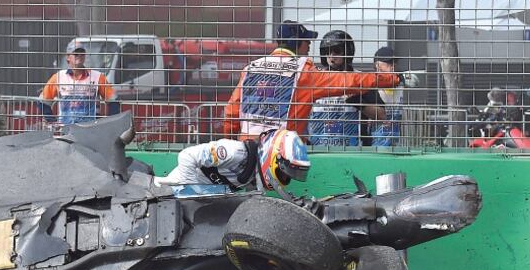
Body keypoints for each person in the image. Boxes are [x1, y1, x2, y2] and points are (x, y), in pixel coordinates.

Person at [223, 21, 414, 141]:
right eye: (307, 41)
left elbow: (231, 111)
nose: (309, 45)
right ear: (297, 43)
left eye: (337, 51)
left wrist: (232, 142)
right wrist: (397, 78)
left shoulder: (252, 68)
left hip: (249, 144)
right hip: (281, 147)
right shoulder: (303, 72)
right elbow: (353, 81)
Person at [153, 128, 310, 192]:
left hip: (204, 211)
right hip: (174, 194)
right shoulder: (233, 152)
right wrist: (191, 193)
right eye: (285, 173)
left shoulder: (255, 175)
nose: (285, 178)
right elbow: (187, 156)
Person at [308, 30, 385, 147]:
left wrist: (358, 101)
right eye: (327, 51)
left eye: (336, 51)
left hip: (353, 150)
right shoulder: (316, 79)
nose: (331, 56)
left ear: (347, 51)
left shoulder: (360, 79)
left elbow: (381, 115)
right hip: (318, 149)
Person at [39, 45, 120, 127]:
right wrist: (52, 121)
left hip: (91, 129)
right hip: (66, 130)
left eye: (82, 54)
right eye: (76, 54)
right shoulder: (58, 77)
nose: (79, 56)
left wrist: (110, 123)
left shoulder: (98, 77)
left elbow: (114, 101)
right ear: (68, 57)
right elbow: (43, 101)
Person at [368, 46, 405, 147]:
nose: (393, 66)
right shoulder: (371, 84)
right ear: (377, 65)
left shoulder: (400, 82)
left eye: (394, 63)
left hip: (394, 140)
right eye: (388, 63)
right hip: (375, 141)